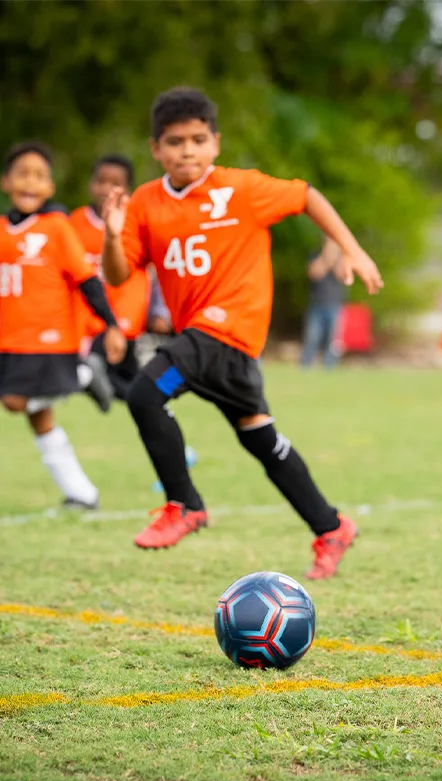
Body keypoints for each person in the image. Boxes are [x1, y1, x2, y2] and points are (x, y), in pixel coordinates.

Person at [101, 87, 383, 581]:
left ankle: (184, 505)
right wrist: (110, 233)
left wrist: (351, 249)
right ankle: (330, 525)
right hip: (209, 343)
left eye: (196, 139)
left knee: (145, 394)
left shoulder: (241, 189)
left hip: (228, 328)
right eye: (174, 141)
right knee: (261, 441)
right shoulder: (145, 203)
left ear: (215, 142)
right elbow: (120, 274)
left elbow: (305, 195)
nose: (186, 150)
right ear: (155, 149)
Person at [0, 142, 127, 509]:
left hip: (49, 341)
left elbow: (88, 280)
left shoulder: (56, 227)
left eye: (39, 176)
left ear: (50, 188)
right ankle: (81, 494)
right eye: (22, 173)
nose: (30, 182)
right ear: (6, 181)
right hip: (11, 341)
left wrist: (111, 325)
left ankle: (83, 375)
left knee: (13, 401)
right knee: (38, 417)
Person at [70, 155, 151, 401]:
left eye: (115, 182)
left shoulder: (135, 221)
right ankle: (87, 375)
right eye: (100, 181)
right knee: (127, 386)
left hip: (125, 311)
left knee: (127, 381)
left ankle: (86, 376)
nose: (106, 188)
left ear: (128, 189)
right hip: (88, 314)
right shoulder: (74, 223)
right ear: (91, 184)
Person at [300, 237, 345, 369]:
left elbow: (343, 276)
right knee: (312, 338)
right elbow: (314, 273)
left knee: (333, 340)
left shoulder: (341, 259)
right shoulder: (315, 256)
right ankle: (306, 365)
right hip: (317, 304)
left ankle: (329, 367)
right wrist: (326, 259)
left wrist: (334, 259)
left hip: (335, 305)